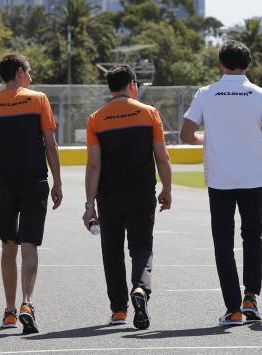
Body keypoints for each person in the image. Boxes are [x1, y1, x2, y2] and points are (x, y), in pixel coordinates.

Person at [180, 41, 262, 326]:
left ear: (220, 65)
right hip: (252, 176)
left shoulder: (206, 93)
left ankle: (232, 308)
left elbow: (187, 134)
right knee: (253, 237)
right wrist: (257, 143)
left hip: (220, 178)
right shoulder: (261, 94)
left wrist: (208, 139)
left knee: (223, 243)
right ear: (248, 65)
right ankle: (251, 297)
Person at [0, 54, 63, 334]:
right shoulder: (38, 99)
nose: (31, 78)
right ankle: (27, 304)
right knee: (29, 245)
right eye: (30, 72)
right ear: (20, 72)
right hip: (35, 181)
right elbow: (51, 145)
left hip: (4, 184)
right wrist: (58, 182)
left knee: (8, 246)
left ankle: (10, 312)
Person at [83, 65, 174, 329]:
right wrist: (166, 189)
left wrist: (90, 205)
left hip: (108, 196)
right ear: (132, 85)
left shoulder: (96, 118)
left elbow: (93, 165)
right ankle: (140, 290)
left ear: (110, 87)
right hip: (142, 192)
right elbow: (162, 157)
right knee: (142, 246)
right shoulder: (149, 113)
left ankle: (119, 310)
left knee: (112, 252)